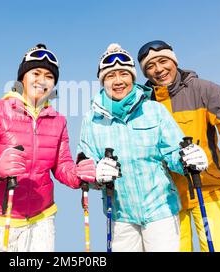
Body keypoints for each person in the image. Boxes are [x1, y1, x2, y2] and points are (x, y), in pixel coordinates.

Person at [0, 43, 106, 252]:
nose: (42, 81)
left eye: (49, 76)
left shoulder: (58, 120)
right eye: (36, 73)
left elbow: (62, 166)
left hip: (41, 219)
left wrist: (78, 174)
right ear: (22, 77)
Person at [137, 40, 220, 252]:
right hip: (167, 201)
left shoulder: (203, 90)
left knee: (219, 248)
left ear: (173, 61)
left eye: (163, 61)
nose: (159, 69)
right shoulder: (144, 104)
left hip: (208, 189)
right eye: (150, 66)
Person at [77, 43, 209, 252]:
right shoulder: (92, 120)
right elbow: (84, 164)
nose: (118, 81)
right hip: (120, 215)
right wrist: (96, 173)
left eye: (124, 74)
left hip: (161, 211)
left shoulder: (154, 110)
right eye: (111, 76)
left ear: (132, 77)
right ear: (103, 81)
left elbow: (174, 152)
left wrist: (187, 159)